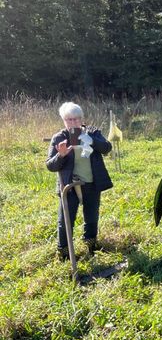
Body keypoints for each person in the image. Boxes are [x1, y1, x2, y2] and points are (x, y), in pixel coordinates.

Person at [46, 102, 113, 260]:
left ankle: (91, 245)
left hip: (91, 183)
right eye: (69, 120)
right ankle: (63, 252)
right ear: (64, 120)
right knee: (65, 220)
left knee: (91, 216)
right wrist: (60, 155)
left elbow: (107, 148)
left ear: (81, 119)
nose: (73, 123)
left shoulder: (93, 132)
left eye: (76, 119)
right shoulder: (59, 137)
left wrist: (91, 140)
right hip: (69, 186)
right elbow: (50, 165)